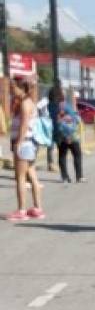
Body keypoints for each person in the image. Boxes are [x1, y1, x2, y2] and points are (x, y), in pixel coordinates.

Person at [5, 78, 45, 221]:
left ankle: (21, 210)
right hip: (29, 144)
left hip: (24, 143)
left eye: (12, 87)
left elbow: (24, 125)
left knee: (20, 177)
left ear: (20, 87)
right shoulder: (28, 103)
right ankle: (37, 208)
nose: (10, 90)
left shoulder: (25, 104)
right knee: (32, 174)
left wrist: (18, 143)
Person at [53, 90, 85, 184]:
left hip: (61, 135)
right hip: (69, 135)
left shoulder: (57, 107)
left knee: (62, 156)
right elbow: (63, 122)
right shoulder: (64, 106)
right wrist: (68, 135)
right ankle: (78, 176)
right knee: (76, 155)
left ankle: (65, 177)